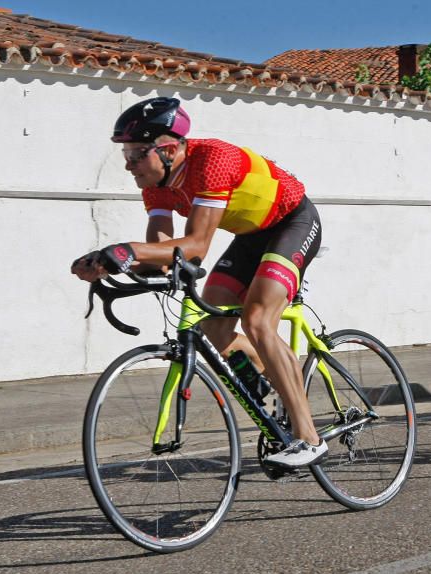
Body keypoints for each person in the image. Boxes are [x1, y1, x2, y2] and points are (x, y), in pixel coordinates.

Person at [71, 97, 326, 468]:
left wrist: (129, 251)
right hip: (251, 236)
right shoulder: (156, 182)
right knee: (214, 325)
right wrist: (113, 263)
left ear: (169, 148)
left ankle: (308, 437)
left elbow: (195, 247)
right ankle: (277, 397)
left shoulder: (212, 161)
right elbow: (162, 248)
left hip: (293, 222)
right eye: (125, 154)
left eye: (137, 154)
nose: (128, 164)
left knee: (257, 319)